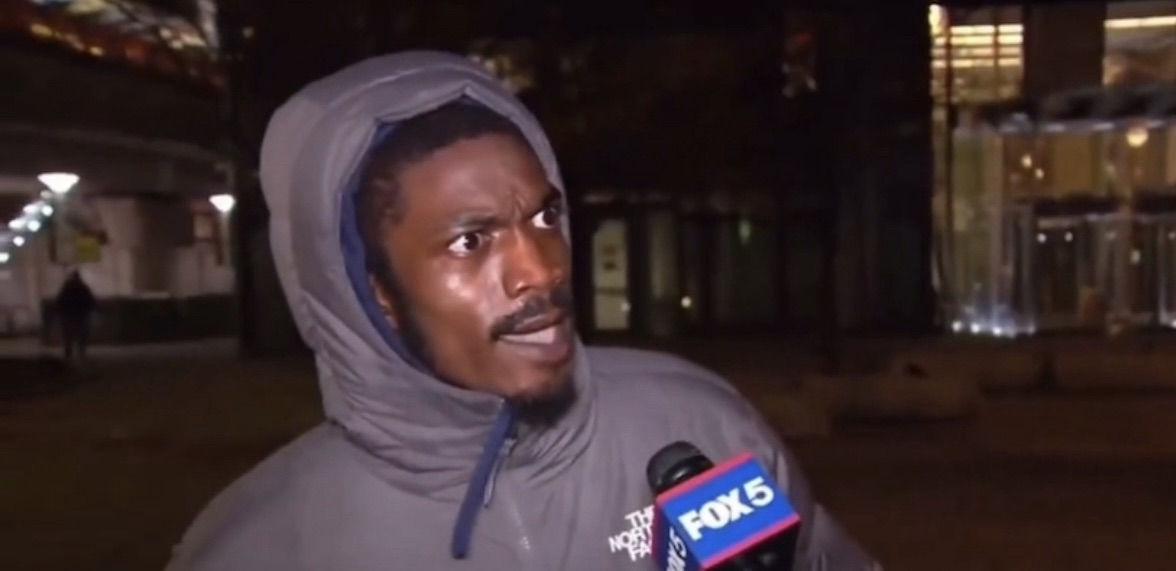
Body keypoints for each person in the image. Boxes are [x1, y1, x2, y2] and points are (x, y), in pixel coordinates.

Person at [164, 52, 879, 570]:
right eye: (469, 241)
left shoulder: (695, 430)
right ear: (372, 291)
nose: (541, 270)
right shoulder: (266, 547)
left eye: (545, 217)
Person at [53, 269, 96, 363]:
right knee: (81, 335)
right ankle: (81, 352)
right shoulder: (83, 288)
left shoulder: (67, 288)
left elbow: (60, 301)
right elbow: (91, 301)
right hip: (80, 315)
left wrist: (59, 312)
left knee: (68, 335)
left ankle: (69, 352)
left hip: (69, 315)